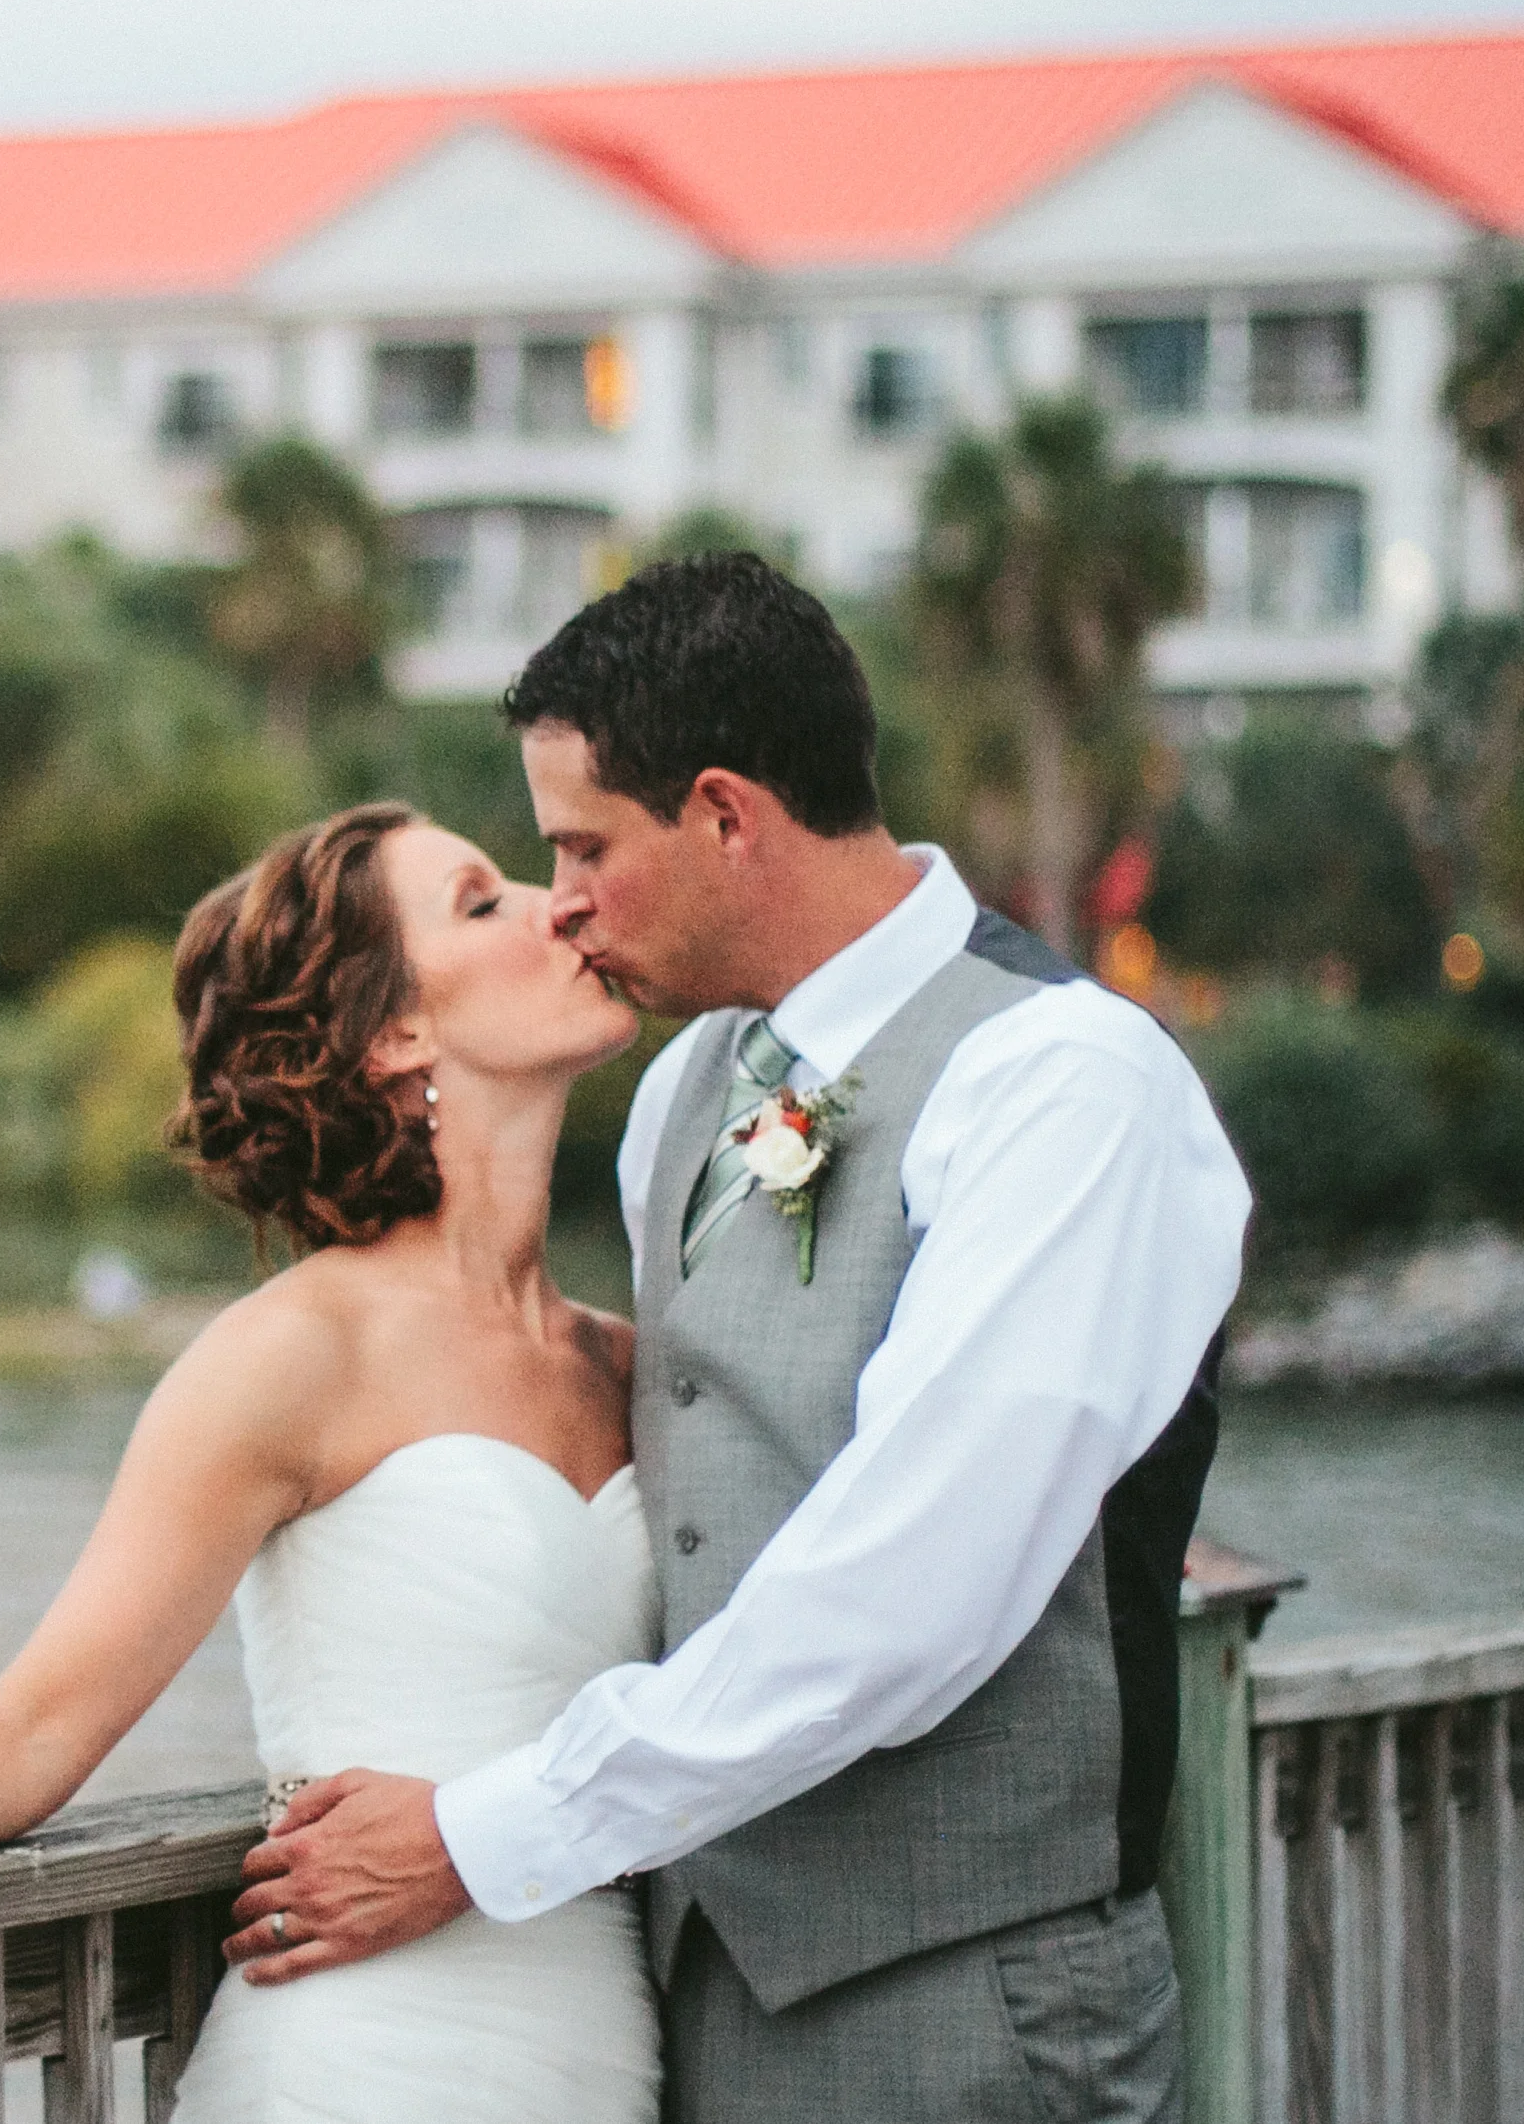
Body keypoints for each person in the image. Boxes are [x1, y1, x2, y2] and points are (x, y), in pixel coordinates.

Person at [236, 553, 1249, 2122]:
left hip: (971, 2007)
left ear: (722, 813)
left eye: (582, 844)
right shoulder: (683, 1092)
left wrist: (484, 1831)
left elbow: (912, 1589)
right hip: (690, 1999)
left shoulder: (1064, 1083)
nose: (558, 898)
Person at [0, 800, 665, 2123]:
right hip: (364, 2059)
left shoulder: (632, 1364)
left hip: (604, 2053)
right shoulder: (289, 1355)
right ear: (394, 1028)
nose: (557, 903)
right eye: (482, 899)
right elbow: (38, 1721)